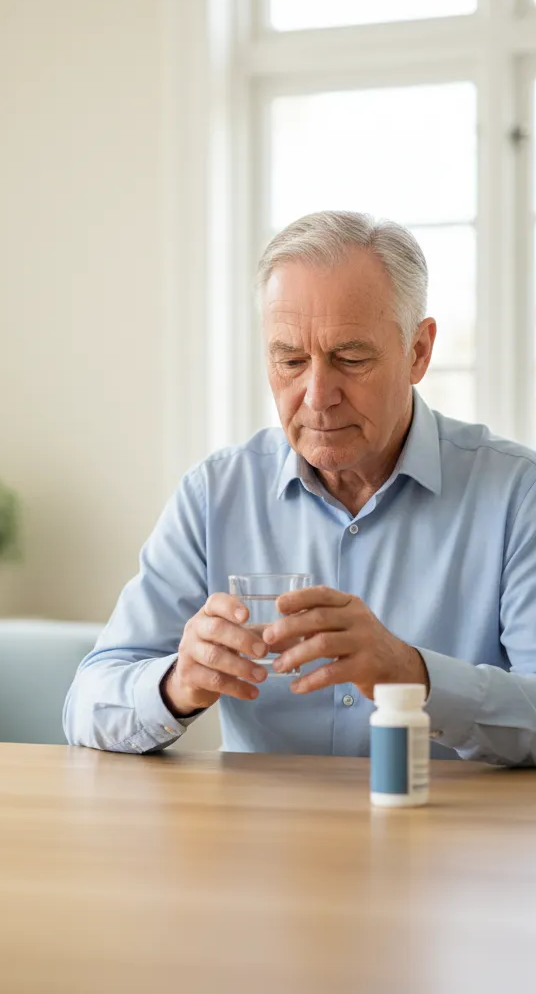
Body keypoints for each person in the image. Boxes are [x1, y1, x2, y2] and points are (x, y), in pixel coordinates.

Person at [63, 210, 536, 765]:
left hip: (447, 837)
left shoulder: (516, 496)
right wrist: (176, 683)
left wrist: (413, 674)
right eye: (289, 360)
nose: (316, 395)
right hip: (263, 842)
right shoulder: (216, 495)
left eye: (351, 358)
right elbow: (87, 705)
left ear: (419, 352)